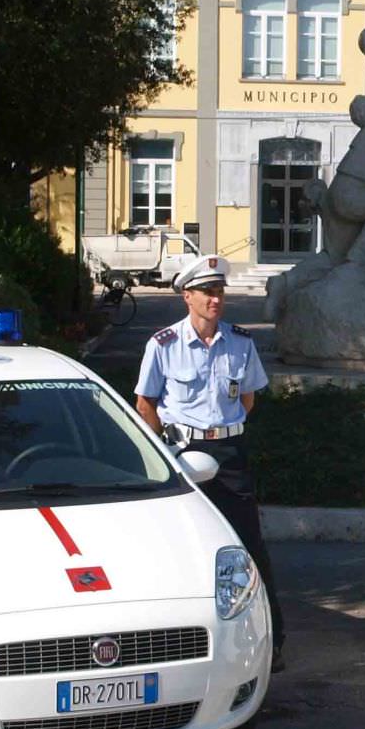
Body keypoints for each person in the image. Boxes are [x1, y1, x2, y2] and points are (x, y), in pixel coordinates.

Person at [134, 256, 284, 667]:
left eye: (219, 291)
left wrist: (222, 432)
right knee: (180, 545)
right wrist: (165, 445)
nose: (216, 299)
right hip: (181, 453)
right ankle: (168, 644)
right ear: (188, 297)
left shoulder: (240, 341)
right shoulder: (164, 344)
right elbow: (145, 402)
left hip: (229, 453)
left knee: (248, 544)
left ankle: (272, 642)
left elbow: (248, 400)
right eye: (207, 292)